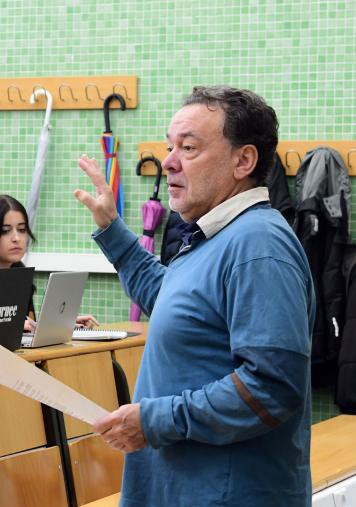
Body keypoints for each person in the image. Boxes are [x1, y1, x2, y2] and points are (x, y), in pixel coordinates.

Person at [76, 86, 313, 506]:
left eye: (188, 147)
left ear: (244, 161)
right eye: (170, 147)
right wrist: (114, 229)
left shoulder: (257, 244)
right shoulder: (214, 235)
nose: (168, 162)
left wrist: (154, 420)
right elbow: (174, 303)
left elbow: (271, 386)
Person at [0, 194, 98, 328]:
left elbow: (24, 323)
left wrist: (62, 325)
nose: (17, 238)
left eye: (22, 229)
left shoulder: (19, 269)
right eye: (5, 231)